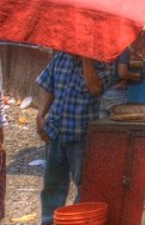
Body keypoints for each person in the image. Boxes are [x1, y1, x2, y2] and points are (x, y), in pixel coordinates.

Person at [37, 51, 112, 223]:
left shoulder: (102, 64)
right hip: (55, 131)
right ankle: (49, 221)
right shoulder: (61, 57)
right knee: (52, 184)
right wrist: (40, 115)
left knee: (84, 184)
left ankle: (77, 220)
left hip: (81, 135)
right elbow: (49, 87)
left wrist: (86, 59)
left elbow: (95, 89)